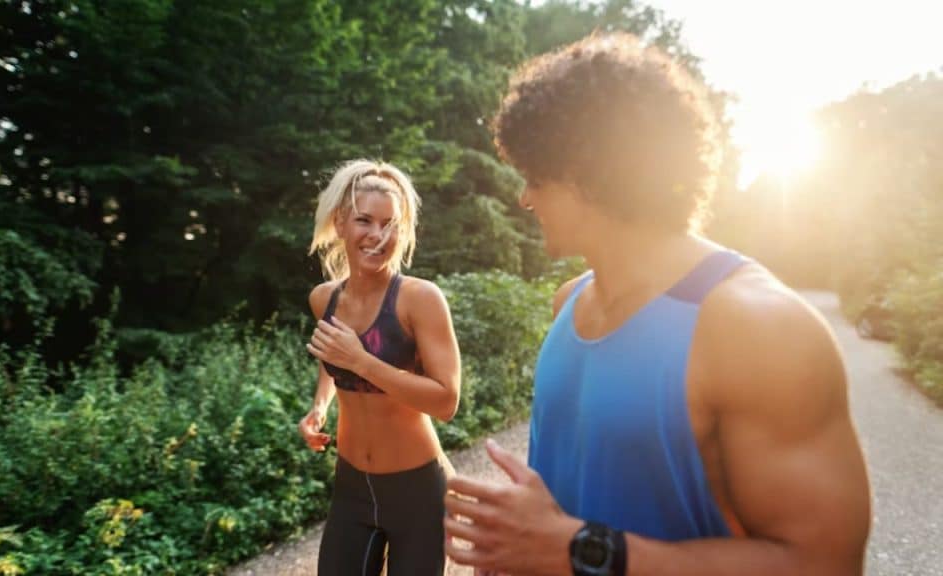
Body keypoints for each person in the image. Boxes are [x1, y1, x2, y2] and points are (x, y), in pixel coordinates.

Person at [443, 33, 871, 576]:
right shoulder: (568, 303)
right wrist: (521, 542)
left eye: (534, 177)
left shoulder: (758, 326)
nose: (525, 198)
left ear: (585, 170)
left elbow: (824, 564)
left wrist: (577, 551)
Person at [300, 159, 461, 576]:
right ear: (340, 224)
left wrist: (362, 360)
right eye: (364, 221)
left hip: (418, 491)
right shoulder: (324, 299)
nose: (378, 235)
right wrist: (320, 406)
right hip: (352, 487)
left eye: (390, 224)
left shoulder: (419, 300)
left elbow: (446, 401)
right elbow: (331, 358)